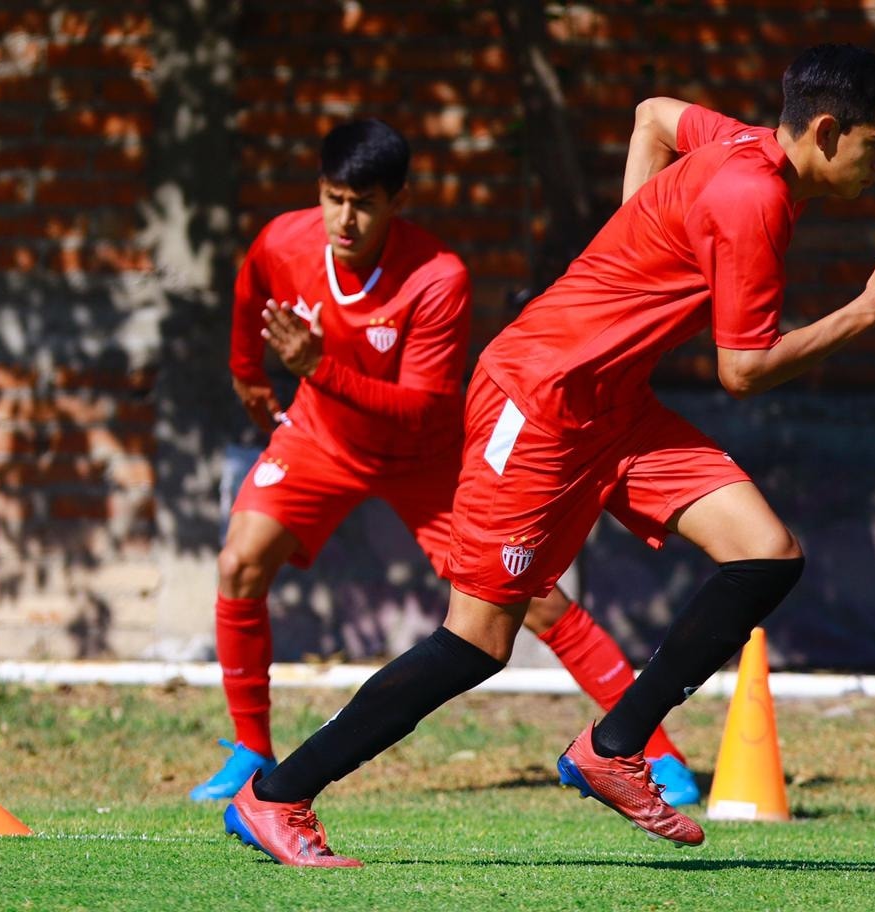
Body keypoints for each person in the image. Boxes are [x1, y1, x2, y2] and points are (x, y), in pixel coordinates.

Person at [223, 44, 875, 867]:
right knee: (477, 641)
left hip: (614, 405)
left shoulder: (740, 144)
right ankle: (278, 794)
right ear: (826, 131)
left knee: (766, 554)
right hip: (538, 402)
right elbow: (743, 370)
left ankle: (613, 746)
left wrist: (635, 237)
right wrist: (868, 309)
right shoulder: (753, 197)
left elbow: (654, 116)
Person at [192, 118, 698, 811]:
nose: (344, 219)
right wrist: (246, 371)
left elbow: (424, 408)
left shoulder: (437, 277)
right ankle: (251, 747)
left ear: (398, 201)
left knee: (535, 600)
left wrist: (317, 368)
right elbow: (252, 284)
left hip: (425, 461)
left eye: (364, 203)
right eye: (334, 198)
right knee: (239, 563)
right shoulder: (284, 239)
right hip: (319, 437)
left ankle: (652, 750)